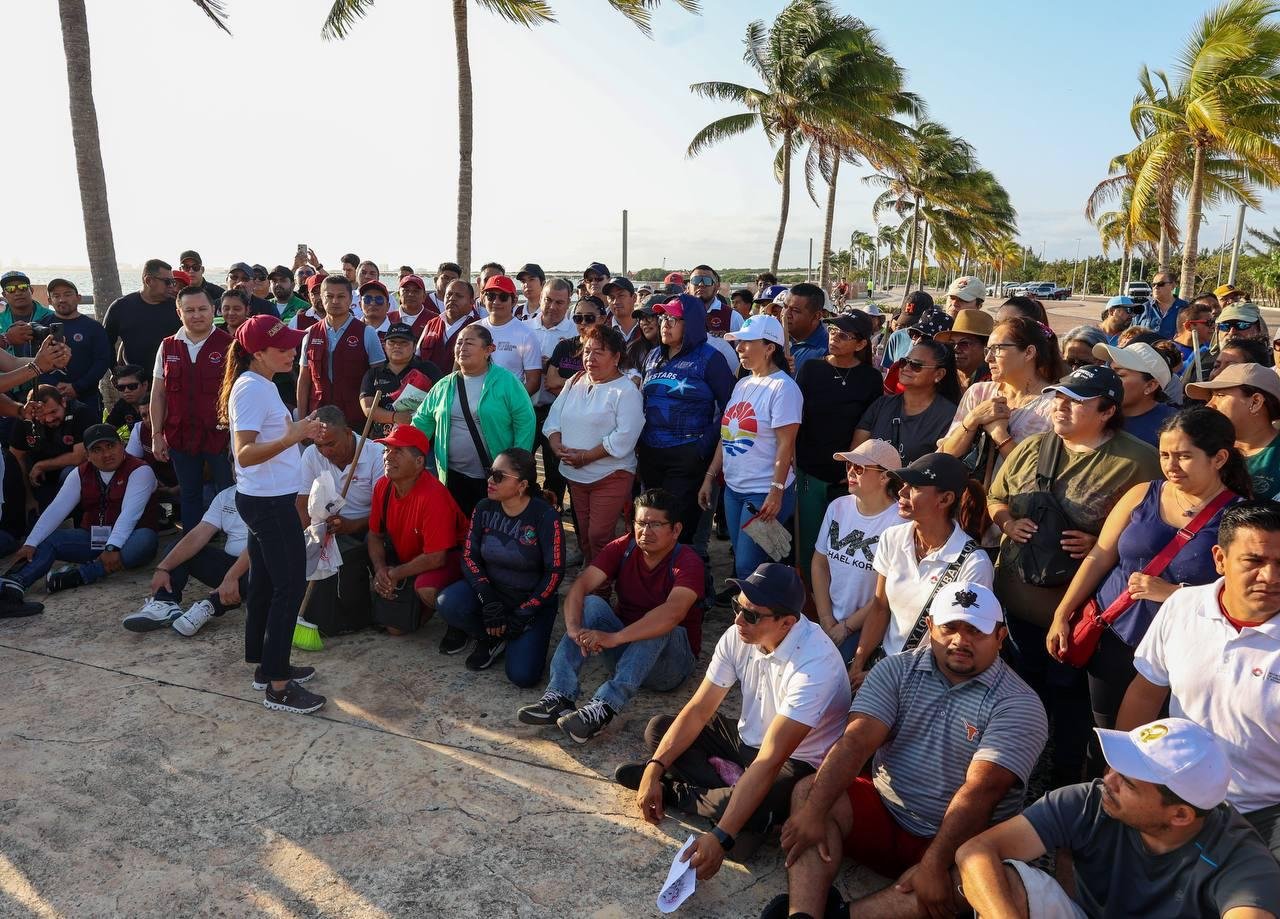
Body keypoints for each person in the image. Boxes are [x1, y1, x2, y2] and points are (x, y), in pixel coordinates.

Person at [774, 582, 1047, 919]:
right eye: (950, 627)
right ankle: (803, 915)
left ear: (1000, 637)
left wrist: (934, 863)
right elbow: (856, 743)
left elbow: (981, 793)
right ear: (930, 626)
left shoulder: (1020, 704)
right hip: (888, 809)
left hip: (958, 841)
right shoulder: (896, 670)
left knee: (983, 878)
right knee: (809, 792)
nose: (960, 640)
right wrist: (815, 810)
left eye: (976, 630)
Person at [615, 564, 850, 878]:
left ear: (787, 623)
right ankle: (741, 805)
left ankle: (680, 794)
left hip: (796, 760)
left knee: (737, 828)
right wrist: (654, 767)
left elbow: (770, 759)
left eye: (751, 614)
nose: (738, 619)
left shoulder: (815, 665)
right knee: (659, 729)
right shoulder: (741, 634)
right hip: (749, 741)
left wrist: (721, 837)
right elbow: (699, 709)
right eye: (736, 606)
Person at [988, 364, 1161, 786]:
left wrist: (1102, 541)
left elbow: (1151, 534)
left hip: (1078, 615)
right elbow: (996, 496)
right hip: (1014, 604)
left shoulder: (1138, 460)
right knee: (1020, 688)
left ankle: (1064, 779)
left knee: (1070, 699)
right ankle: (1021, 762)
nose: (1061, 407)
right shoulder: (1033, 448)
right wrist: (1008, 521)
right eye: (1058, 398)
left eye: (1076, 401)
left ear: (1106, 411)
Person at [1047, 408, 1245, 756]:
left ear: (1220, 458)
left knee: (1162, 745)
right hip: (1114, 635)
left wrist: (1173, 594)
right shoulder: (1143, 493)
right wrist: (1062, 612)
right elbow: (1100, 555)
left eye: (1184, 456)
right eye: (1165, 455)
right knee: (1105, 736)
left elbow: (1243, 596)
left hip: (1183, 651)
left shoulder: (1239, 518)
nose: (1171, 465)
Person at [956, 718, 1280, 918]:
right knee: (1001, 882)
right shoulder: (1093, 799)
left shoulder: (1243, 861)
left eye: (1127, 781)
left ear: (1180, 814)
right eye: (1115, 766)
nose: (1107, 780)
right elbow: (975, 851)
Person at [1117, 500, 1280, 857]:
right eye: (1254, 561)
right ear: (1220, 559)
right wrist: (1125, 771)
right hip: (1177, 796)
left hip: (1269, 814)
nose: (1271, 577)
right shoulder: (1182, 606)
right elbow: (1146, 693)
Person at [519, 488, 705, 742]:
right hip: (625, 651)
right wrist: (574, 629)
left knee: (659, 622)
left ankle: (604, 708)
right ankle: (559, 696)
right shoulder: (624, 547)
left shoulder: (687, 561)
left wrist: (615, 638)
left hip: (670, 666)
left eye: (655, 525)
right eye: (641, 523)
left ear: (676, 530)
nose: (645, 531)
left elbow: (673, 613)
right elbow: (580, 586)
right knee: (592, 603)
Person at [222, 314, 325, 715]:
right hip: (269, 503)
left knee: (265, 584)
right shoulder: (251, 389)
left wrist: (297, 432)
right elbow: (244, 452)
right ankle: (279, 686)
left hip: (264, 499)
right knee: (289, 588)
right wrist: (294, 435)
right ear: (258, 352)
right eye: (282, 347)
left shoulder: (259, 384)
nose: (291, 351)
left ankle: (266, 666)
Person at [846, 453, 995, 683]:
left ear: (945, 500)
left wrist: (887, 676)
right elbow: (880, 608)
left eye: (914, 487)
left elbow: (958, 642)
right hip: (882, 667)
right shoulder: (892, 538)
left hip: (929, 680)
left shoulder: (975, 564)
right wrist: (858, 664)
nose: (902, 492)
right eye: (904, 484)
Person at [436, 448, 565, 682]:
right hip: (493, 592)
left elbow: (554, 573)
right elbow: (469, 556)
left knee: (522, 676)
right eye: (490, 473)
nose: (489, 481)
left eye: (498, 476)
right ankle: (491, 636)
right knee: (448, 603)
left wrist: (526, 611)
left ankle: (508, 631)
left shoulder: (545, 517)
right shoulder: (484, 507)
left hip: (530, 600)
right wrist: (488, 598)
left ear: (522, 485)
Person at [697, 314, 801, 580]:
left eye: (746, 342)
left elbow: (786, 445)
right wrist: (710, 477)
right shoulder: (743, 383)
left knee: (747, 565)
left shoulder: (783, 388)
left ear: (769, 348)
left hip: (763, 493)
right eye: (738, 342)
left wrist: (776, 492)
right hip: (734, 490)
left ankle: (756, 616)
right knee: (745, 562)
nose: (739, 348)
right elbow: (727, 434)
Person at [8, 423, 158, 595]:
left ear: (122, 445)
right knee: (47, 540)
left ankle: (79, 575)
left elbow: (129, 514)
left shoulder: (140, 470)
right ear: (87, 455)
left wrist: (112, 548)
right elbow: (57, 509)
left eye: (111, 446)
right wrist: (30, 543)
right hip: (94, 537)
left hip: (130, 538)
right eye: (97, 450)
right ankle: (15, 583)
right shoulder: (79, 473)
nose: (107, 454)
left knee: (144, 541)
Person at [543, 324, 644, 565]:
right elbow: (554, 418)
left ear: (616, 357)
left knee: (599, 535)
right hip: (575, 474)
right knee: (585, 534)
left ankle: (600, 588)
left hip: (610, 475)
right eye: (587, 351)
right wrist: (557, 446)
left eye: (599, 352)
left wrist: (587, 456)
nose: (590, 358)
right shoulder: (575, 380)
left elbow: (625, 436)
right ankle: (592, 575)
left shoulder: (625, 390)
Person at [638, 294, 735, 544]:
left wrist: (703, 444)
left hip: (687, 454)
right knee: (652, 521)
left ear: (691, 323)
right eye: (663, 318)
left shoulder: (710, 359)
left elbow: (731, 409)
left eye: (673, 319)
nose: (665, 324)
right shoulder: (653, 357)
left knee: (676, 527)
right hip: (651, 453)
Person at [410, 324, 536, 516]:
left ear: (488, 350)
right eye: (459, 343)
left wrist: (517, 465)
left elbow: (525, 421)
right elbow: (421, 422)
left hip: (494, 477)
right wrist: (406, 449)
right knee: (456, 525)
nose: (462, 347)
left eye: (469, 343)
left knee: (489, 527)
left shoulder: (506, 382)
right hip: (451, 474)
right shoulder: (444, 385)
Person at [793, 311, 883, 575]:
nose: (834, 338)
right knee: (808, 543)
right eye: (833, 331)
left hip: (848, 476)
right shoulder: (811, 368)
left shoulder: (870, 378)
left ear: (861, 344)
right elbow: (797, 416)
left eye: (844, 335)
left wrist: (857, 466)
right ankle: (809, 603)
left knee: (844, 545)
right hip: (810, 471)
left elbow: (869, 426)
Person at [367, 424, 468, 643]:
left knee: (427, 589)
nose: (388, 456)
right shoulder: (382, 486)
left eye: (397, 451)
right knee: (396, 629)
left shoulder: (433, 496)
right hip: (413, 557)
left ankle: (457, 620)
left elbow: (437, 557)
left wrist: (394, 575)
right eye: (386, 450)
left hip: (451, 557)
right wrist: (380, 569)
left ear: (419, 462)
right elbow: (374, 535)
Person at [150, 286, 234, 532]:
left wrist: (237, 439)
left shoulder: (231, 345)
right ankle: (192, 550)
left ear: (214, 310)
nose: (197, 315)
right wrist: (156, 435)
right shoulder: (167, 347)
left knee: (229, 494)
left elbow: (239, 396)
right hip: (180, 437)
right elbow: (158, 393)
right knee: (189, 495)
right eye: (189, 310)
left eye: (202, 309)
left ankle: (233, 547)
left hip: (221, 438)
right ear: (179, 312)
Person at [295, 406, 385, 635]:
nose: (325, 452)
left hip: (370, 528)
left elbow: (384, 514)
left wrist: (351, 526)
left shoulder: (376, 454)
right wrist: (311, 537)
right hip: (328, 528)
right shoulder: (310, 456)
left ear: (347, 432)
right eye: (319, 445)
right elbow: (302, 504)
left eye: (331, 444)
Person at [812, 441, 903, 664]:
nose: (851, 471)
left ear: (885, 477)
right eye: (849, 466)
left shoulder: (900, 522)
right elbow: (819, 563)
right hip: (830, 621)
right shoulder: (838, 506)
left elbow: (889, 591)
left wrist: (847, 626)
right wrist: (826, 618)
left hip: (867, 627)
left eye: (860, 468)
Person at [939, 316, 1060, 483]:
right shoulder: (979, 392)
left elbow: (1032, 476)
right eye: (987, 350)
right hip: (967, 502)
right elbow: (946, 455)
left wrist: (999, 434)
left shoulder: (1055, 406)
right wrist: (973, 418)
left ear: (1029, 352)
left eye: (997, 349)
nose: (988, 358)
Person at [122, 484, 249, 636]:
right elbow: (197, 535)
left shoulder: (279, 494)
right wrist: (163, 568)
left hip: (262, 568)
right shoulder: (226, 496)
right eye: (236, 463)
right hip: (231, 567)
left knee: (266, 563)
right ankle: (165, 602)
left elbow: (262, 546)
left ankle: (212, 605)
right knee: (179, 547)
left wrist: (231, 577)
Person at [855, 336, 962, 464]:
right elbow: (856, 455)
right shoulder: (881, 405)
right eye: (904, 361)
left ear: (939, 374)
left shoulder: (950, 417)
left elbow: (942, 468)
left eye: (916, 365)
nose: (906, 368)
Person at [297, 275, 384, 428]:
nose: (335, 301)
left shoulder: (367, 333)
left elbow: (379, 380)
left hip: (355, 420)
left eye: (341, 296)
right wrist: (302, 422)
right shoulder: (309, 334)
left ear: (351, 299)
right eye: (329, 296)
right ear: (321, 299)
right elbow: (304, 380)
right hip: (318, 419)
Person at [1192, 362, 1280, 499]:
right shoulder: (1203, 447)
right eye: (1210, 397)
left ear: (1256, 402)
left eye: (1220, 395)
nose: (1209, 405)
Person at [525, 278, 577, 508]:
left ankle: (551, 515)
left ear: (568, 303)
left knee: (555, 471)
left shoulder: (576, 334)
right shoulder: (523, 328)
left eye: (559, 302)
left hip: (559, 414)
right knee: (522, 465)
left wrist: (551, 368)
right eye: (548, 300)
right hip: (526, 409)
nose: (553, 306)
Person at [8, 384, 92, 511]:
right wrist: (28, 498)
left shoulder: (80, 412)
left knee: (70, 473)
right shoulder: (26, 420)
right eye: (43, 415)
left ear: (63, 402)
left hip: (74, 479)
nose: (49, 419)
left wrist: (42, 465)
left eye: (53, 412)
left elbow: (79, 457)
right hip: (38, 480)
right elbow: (16, 458)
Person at [40, 277, 110, 418]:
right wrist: (54, 386)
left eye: (67, 294)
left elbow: (102, 361)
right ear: (49, 301)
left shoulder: (93, 327)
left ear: (78, 298)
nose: (62, 300)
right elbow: (32, 361)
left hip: (86, 396)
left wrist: (77, 387)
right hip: (49, 400)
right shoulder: (41, 327)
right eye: (56, 296)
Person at [358, 322, 442, 439]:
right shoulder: (373, 374)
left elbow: (442, 402)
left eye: (404, 343)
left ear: (414, 347)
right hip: (383, 441)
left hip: (420, 440)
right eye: (392, 342)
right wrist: (396, 416)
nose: (397, 346)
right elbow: (368, 409)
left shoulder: (428, 369)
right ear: (384, 346)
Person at [1093, 341, 1179, 448]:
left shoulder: (1174, 426)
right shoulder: (1092, 410)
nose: (1109, 379)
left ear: (1150, 386)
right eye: (1109, 371)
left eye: (1120, 375)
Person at [103, 259, 182, 368]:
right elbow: (105, 343)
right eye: (167, 282)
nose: (172, 286)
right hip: (136, 381)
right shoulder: (120, 307)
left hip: (172, 376)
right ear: (149, 280)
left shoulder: (178, 307)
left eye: (173, 282)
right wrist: (115, 370)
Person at [474, 275, 541, 396]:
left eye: (503, 297)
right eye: (491, 296)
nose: (496, 302)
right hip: (471, 403)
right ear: (483, 299)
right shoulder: (472, 330)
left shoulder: (526, 334)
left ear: (514, 301)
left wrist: (512, 405)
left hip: (507, 406)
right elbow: (457, 371)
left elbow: (533, 381)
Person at [545, 295, 605, 399]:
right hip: (562, 410)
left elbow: (600, 388)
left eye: (589, 318)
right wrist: (583, 388)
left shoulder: (607, 349)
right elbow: (551, 382)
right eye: (578, 318)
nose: (583, 322)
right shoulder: (563, 346)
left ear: (602, 319)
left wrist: (562, 382)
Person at [417, 277, 481, 371]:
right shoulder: (431, 324)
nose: (452, 299)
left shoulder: (479, 327)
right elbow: (417, 357)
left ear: (471, 301)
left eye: (459, 296)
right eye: (449, 295)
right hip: (429, 384)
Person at [936, 307, 994, 388]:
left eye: (964, 343)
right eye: (951, 344)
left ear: (986, 347)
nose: (955, 349)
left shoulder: (993, 383)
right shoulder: (943, 375)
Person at [782, 283, 829, 370]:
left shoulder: (828, 350)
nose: (785, 314)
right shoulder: (774, 340)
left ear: (816, 316)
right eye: (784, 307)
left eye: (795, 310)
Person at [688, 264, 743, 338]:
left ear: (717, 287)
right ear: (688, 287)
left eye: (707, 281)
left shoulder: (733, 317)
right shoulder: (679, 313)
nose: (701, 284)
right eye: (696, 280)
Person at [1133, 269, 1188, 338]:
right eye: (1153, 285)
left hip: (1174, 348)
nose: (1156, 287)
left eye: (1160, 284)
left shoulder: (1186, 308)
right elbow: (1131, 334)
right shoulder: (1143, 308)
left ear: (1173, 285)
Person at [1173, 297, 1215, 372]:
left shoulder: (1211, 350)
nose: (1213, 326)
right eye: (1209, 322)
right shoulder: (1167, 351)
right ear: (1188, 326)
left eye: (1213, 322)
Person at [104, 364, 149, 428]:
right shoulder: (122, 404)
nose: (126, 390)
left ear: (144, 385)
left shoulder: (157, 403)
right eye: (121, 387)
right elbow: (107, 428)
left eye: (132, 386)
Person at [396, 274, 437, 340]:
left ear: (424, 296)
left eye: (416, 291)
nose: (411, 294)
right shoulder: (388, 318)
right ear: (398, 295)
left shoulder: (435, 320)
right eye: (406, 290)